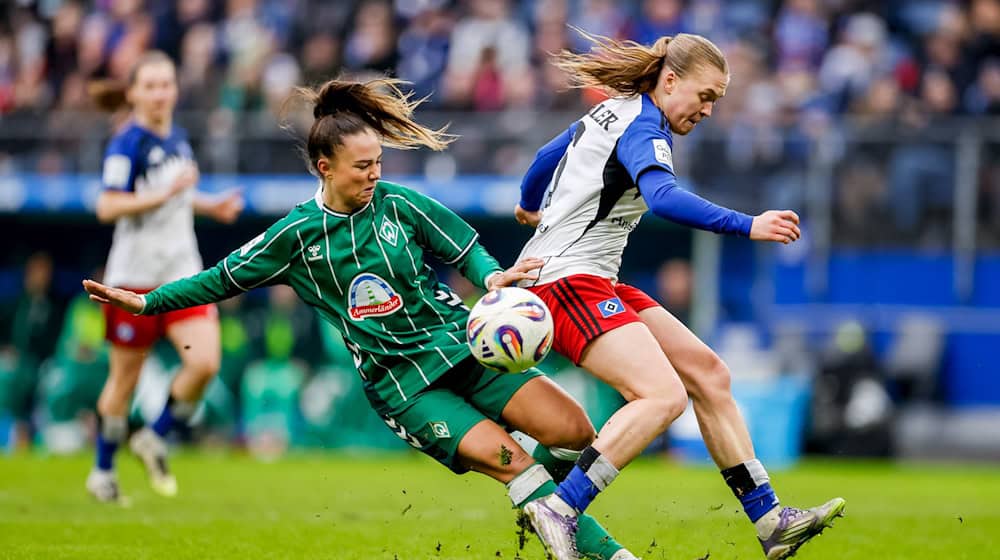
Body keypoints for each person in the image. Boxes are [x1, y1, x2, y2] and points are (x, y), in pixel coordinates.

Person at [84, 77, 638, 560]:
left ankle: (542, 511)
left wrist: (492, 277)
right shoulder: (297, 236)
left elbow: (465, 247)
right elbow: (222, 277)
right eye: (362, 166)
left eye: (379, 163)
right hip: (405, 386)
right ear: (325, 167)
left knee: (574, 433)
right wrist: (149, 301)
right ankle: (606, 550)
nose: (375, 174)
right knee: (517, 465)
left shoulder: (400, 203)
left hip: (463, 347)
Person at [512, 30, 845, 560]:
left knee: (709, 374)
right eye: (705, 95)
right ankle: (561, 507)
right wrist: (747, 224)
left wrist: (529, 204)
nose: (709, 110)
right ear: (670, 81)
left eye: (717, 100)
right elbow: (663, 199)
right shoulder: (646, 126)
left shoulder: (615, 110)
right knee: (662, 397)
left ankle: (770, 519)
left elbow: (545, 155)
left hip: (593, 277)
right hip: (566, 280)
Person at [86, 51, 245, 503]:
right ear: (133, 92)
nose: (159, 93)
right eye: (150, 85)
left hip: (180, 275)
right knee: (124, 382)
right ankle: (102, 472)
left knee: (205, 363)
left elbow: (178, 196)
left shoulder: (176, 136)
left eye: (166, 84)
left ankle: (154, 436)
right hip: (133, 280)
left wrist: (208, 204)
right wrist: (166, 192)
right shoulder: (126, 143)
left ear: (176, 89)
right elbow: (107, 205)